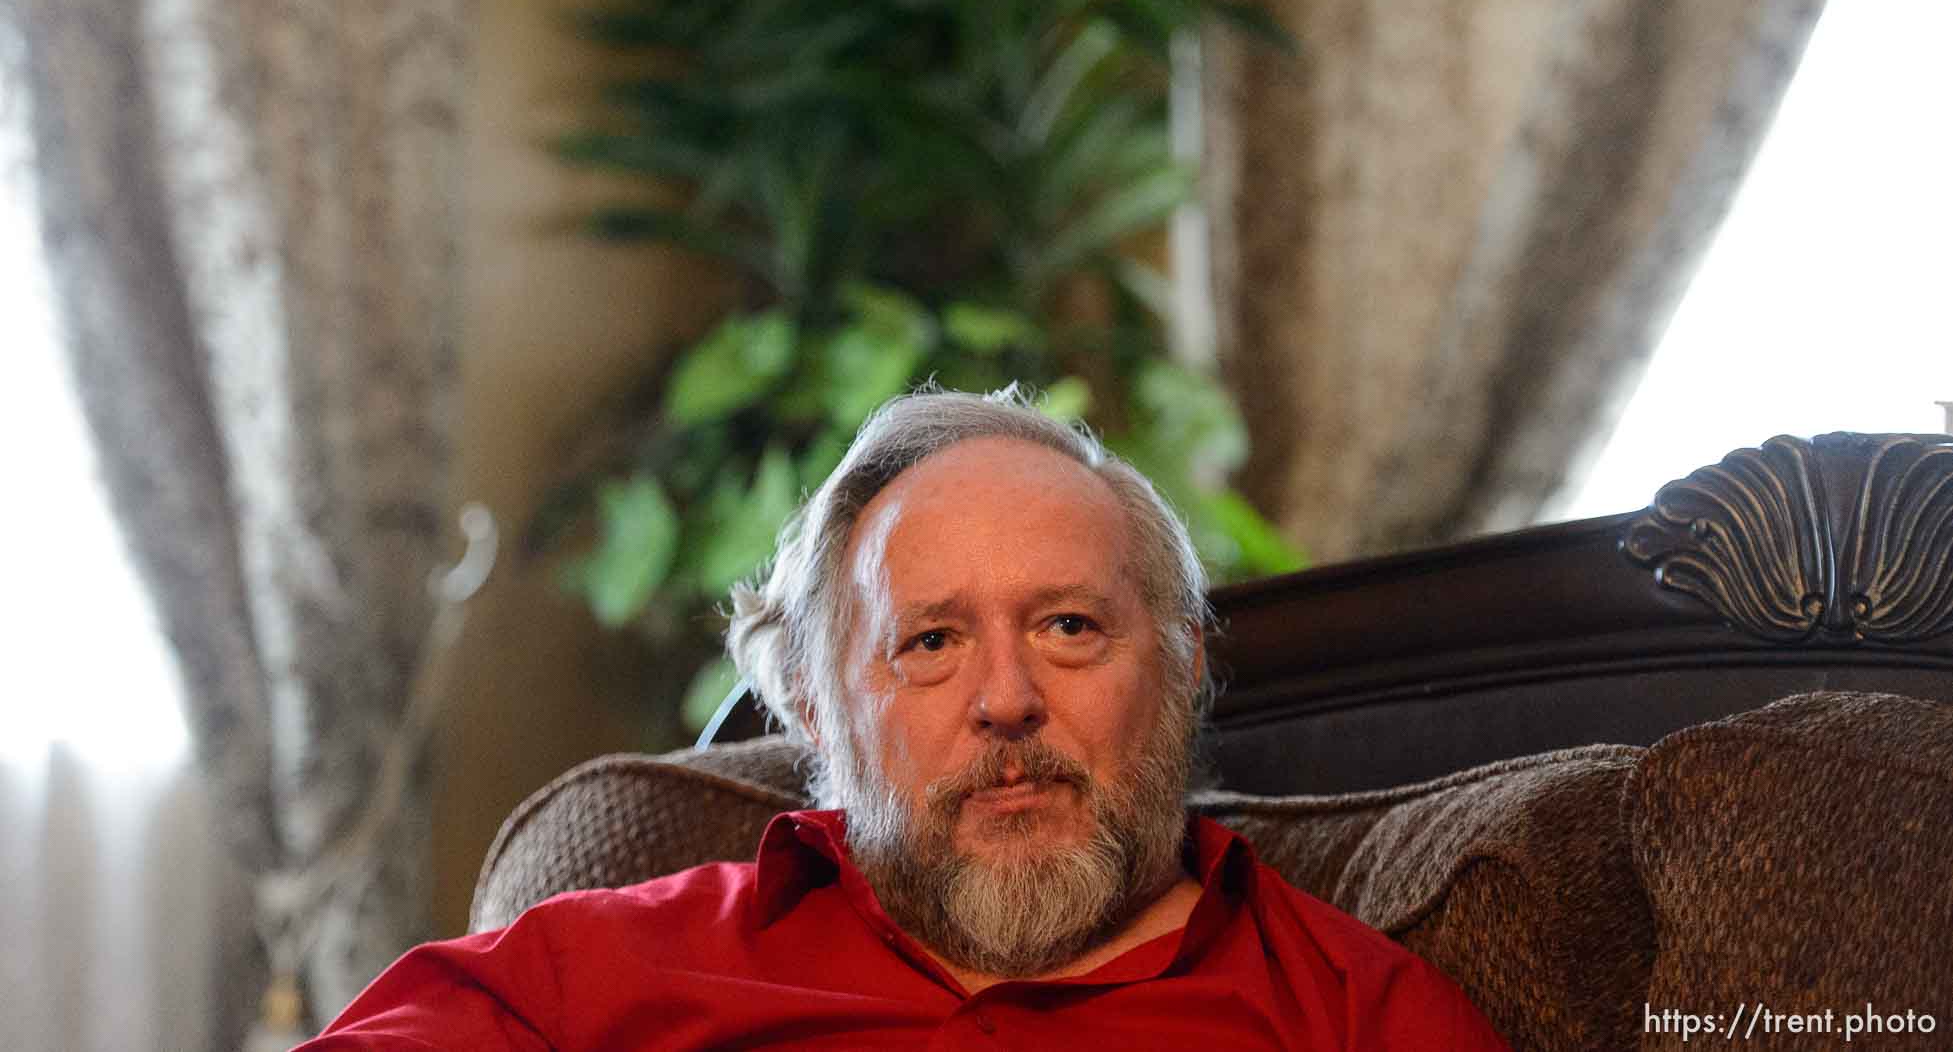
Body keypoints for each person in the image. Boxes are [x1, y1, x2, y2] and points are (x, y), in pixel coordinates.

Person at [304, 387, 1511, 1049]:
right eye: (930, 642)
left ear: (1184, 667)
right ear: (822, 716)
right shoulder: (587, 981)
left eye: (1070, 627)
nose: (1005, 700)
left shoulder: (1361, 1018)